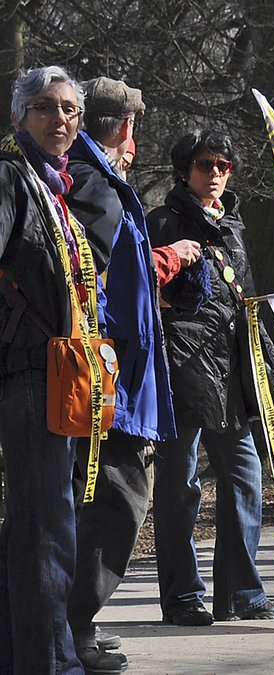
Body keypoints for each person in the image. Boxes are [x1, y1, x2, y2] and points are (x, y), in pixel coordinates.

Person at [65, 75, 201, 673]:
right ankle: (71, 626)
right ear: (126, 129)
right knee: (115, 501)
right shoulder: (94, 184)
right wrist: (169, 260)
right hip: (105, 379)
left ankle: (76, 624)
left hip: (102, 373)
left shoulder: (82, 178)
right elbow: (98, 276)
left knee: (93, 501)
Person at [147, 129, 274, 625]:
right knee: (179, 488)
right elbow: (145, 296)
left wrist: (267, 363)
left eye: (225, 166)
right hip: (180, 369)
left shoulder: (235, 225)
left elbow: (245, 303)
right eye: (207, 165)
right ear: (185, 169)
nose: (216, 175)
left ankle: (241, 594)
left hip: (233, 373)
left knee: (246, 479)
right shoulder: (161, 221)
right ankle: (183, 598)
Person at [0, 64, 95, 674]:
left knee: (43, 524)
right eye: (44, 107)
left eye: (68, 110)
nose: (58, 119)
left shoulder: (57, 187)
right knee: (45, 528)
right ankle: (51, 664)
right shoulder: (10, 177)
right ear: (18, 118)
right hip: (29, 370)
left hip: (62, 374)